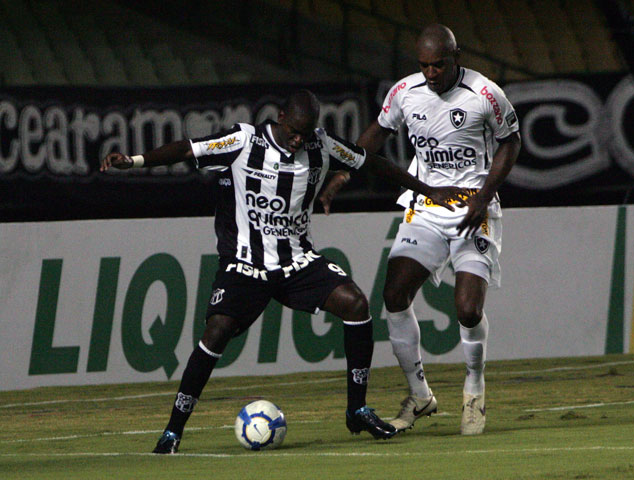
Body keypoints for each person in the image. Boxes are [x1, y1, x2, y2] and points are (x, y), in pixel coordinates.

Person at [101, 89, 467, 453]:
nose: (298, 140)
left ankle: (356, 409)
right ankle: (172, 431)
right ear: (280, 117)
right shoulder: (243, 141)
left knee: (356, 305)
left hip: (296, 261)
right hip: (245, 263)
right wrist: (133, 161)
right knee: (217, 331)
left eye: (305, 134)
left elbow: (371, 161)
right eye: (293, 131)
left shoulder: (322, 146)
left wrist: (426, 190)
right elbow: (186, 149)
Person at [319, 25, 521, 435]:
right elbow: (377, 134)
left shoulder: (485, 94)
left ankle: (474, 389)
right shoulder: (404, 92)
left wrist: (484, 195)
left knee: (467, 309)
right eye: (424, 65)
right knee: (394, 294)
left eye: (438, 64)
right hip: (427, 206)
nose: (431, 72)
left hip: (473, 208)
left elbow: (511, 142)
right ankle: (420, 395)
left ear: (455, 56)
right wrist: (342, 176)